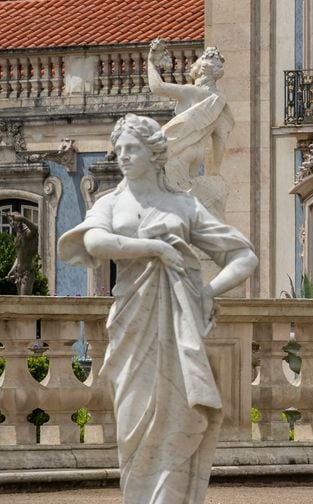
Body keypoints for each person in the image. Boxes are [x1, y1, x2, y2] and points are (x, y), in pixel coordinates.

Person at [57, 115, 256, 504]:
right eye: (120, 149)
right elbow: (95, 243)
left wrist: (208, 292)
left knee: (179, 420)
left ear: (154, 153)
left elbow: (244, 256)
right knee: (132, 423)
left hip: (178, 328)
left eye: (132, 149)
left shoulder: (184, 205)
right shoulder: (110, 202)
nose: (123, 156)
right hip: (131, 327)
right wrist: (156, 248)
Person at [146, 39, 233, 215]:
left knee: (168, 206)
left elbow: (157, 87)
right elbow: (220, 140)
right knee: (189, 205)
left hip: (177, 152)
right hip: (196, 155)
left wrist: (150, 63)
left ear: (200, 70)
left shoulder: (192, 92)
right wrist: (214, 173)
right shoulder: (220, 102)